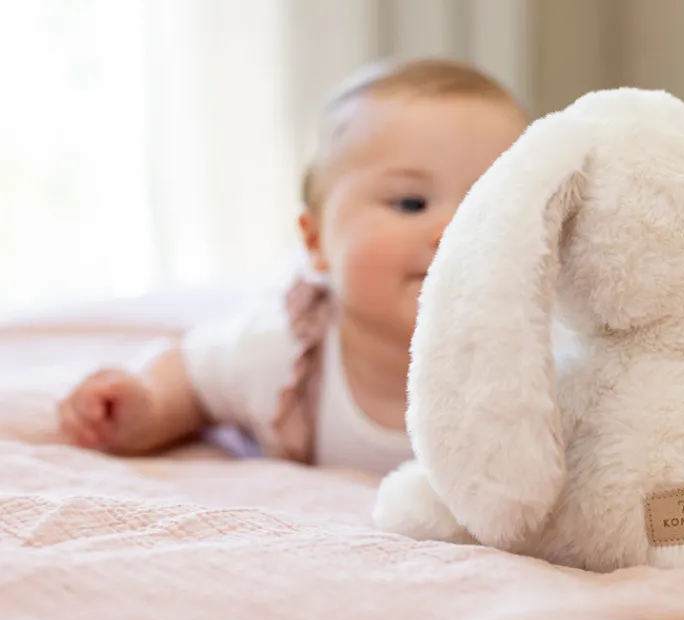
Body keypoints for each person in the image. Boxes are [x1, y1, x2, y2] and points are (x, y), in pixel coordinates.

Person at [56, 57, 529, 475]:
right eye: (410, 203)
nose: (453, 233)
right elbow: (194, 375)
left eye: (487, 207)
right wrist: (147, 406)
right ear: (316, 240)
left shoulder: (544, 352)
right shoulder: (289, 354)